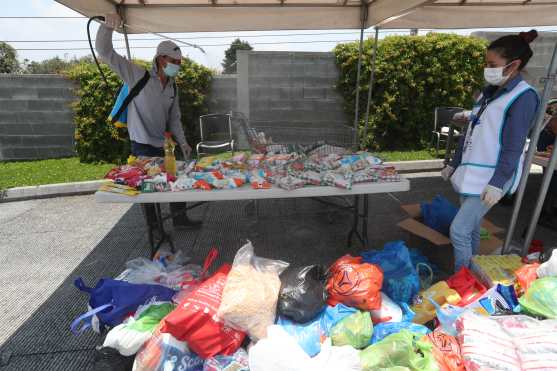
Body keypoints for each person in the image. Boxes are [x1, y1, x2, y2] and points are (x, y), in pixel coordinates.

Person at [441, 30, 540, 272]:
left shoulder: (524, 97)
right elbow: (470, 132)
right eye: (486, 63)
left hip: (492, 177)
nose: (488, 68)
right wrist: (454, 162)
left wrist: (498, 182)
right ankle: (471, 277)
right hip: (472, 172)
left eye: (492, 64)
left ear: (513, 65)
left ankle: (461, 281)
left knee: (459, 230)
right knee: (471, 229)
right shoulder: (487, 94)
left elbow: (514, 146)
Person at [96, 13, 199, 227]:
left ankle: (180, 220)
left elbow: (174, 117)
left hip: (164, 145)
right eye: (174, 61)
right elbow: (105, 52)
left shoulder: (172, 86)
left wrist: (183, 142)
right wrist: (107, 28)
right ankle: (155, 228)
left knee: (174, 180)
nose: (177, 66)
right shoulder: (138, 75)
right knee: (148, 187)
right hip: (142, 144)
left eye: (179, 62)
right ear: (161, 59)